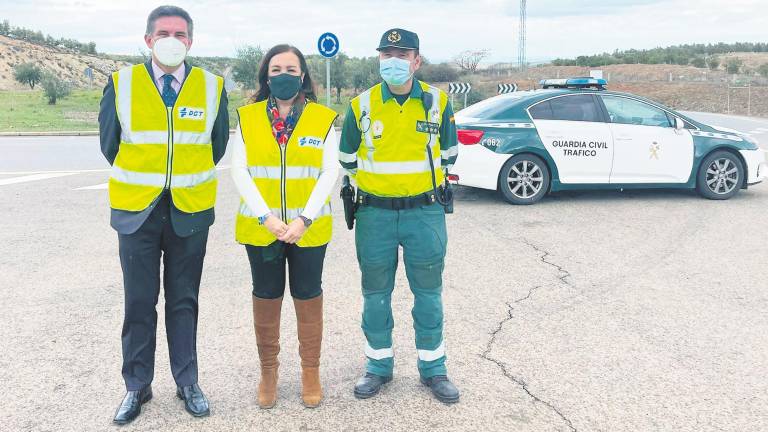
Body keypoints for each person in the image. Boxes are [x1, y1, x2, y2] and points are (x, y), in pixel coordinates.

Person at [98, 5, 229, 424]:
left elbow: (217, 145)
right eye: (164, 33)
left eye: (181, 33)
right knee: (138, 301)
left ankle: (187, 380)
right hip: (137, 211)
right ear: (148, 40)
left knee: (183, 300)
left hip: (189, 211)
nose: (172, 40)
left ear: (190, 40)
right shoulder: (121, 83)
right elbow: (110, 144)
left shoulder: (212, 87)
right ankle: (137, 385)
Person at [339, 28, 460, 404]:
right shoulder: (361, 105)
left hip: (425, 213)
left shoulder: (438, 103)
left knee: (428, 294)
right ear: (378, 59)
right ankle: (378, 366)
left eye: (402, 54)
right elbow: (346, 159)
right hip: (375, 215)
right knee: (375, 294)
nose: (393, 60)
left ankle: (433, 368)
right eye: (386, 54)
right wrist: (379, 188)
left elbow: (450, 155)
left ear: (417, 60)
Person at [231, 44, 339, 409]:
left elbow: (329, 171)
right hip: (263, 228)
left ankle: (311, 371)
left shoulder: (322, 118)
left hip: (308, 229)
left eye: (291, 69)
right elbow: (239, 171)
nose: (283, 75)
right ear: (266, 76)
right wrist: (267, 218)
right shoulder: (247, 118)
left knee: (308, 295)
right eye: (276, 69)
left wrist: (304, 218)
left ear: (303, 75)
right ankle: (269, 372)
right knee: (266, 295)